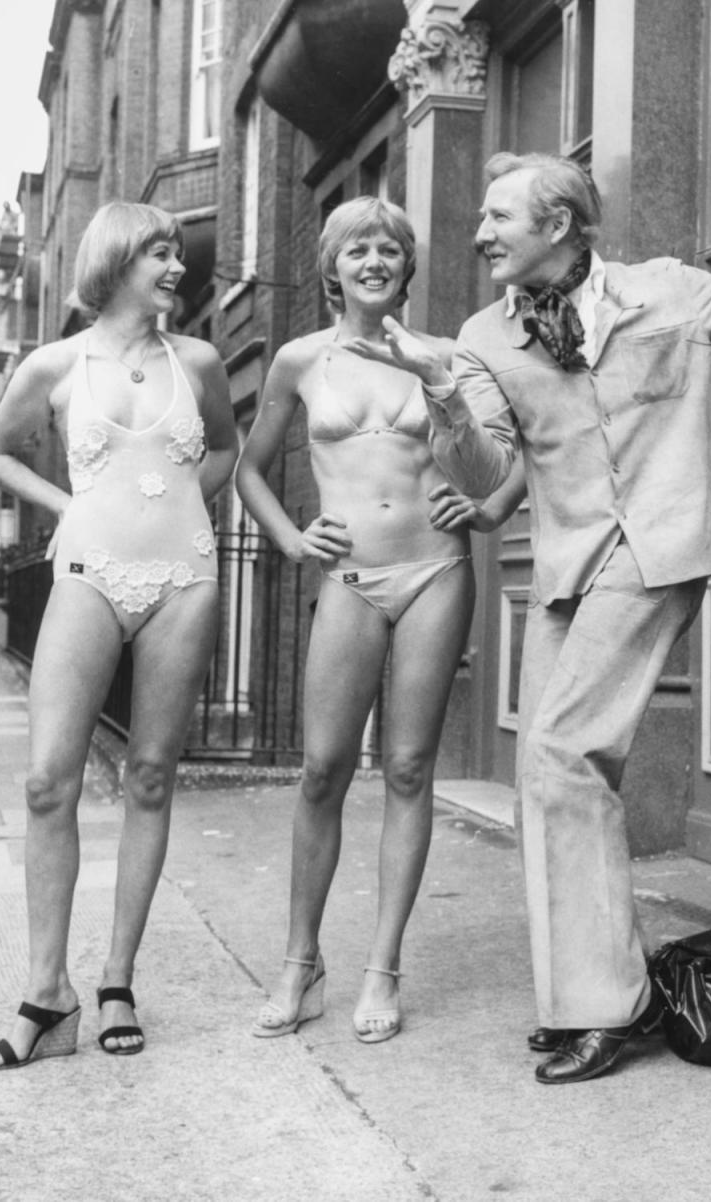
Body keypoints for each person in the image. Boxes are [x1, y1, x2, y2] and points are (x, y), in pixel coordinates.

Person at [346, 151, 711, 1083]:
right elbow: (487, 481)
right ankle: (589, 989)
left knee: (561, 756)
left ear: (561, 225)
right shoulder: (482, 335)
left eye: (499, 217)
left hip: (662, 543)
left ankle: (605, 1007)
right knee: (550, 772)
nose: (480, 232)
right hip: (571, 564)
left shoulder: (668, 291)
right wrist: (440, 384)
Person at [0, 202, 237, 1070]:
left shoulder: (196, 360)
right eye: (159, 252)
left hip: (184, 581)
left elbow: (226, 450)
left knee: (152, 775)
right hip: (88, 575)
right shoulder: (57, 363)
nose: (175, 266)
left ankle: (118, 979)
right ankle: (47, 994)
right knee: (50, 780)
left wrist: (185, 507)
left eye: (175, 252)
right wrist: (68, 508)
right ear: (115, 261)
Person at [235, 196, 476, 1044]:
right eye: (357, 249)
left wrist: (475, 504)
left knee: (409, 770)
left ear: (407, 265)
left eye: (388, 249)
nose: (374, 260)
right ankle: (301, 964)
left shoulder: (442, 354)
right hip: (349, 577)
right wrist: (293, 537)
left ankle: (383, 965)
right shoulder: (300, 359)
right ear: (332, 266)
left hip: (435, 571)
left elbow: (500, 460)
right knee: (323, 771)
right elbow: (250, 470)